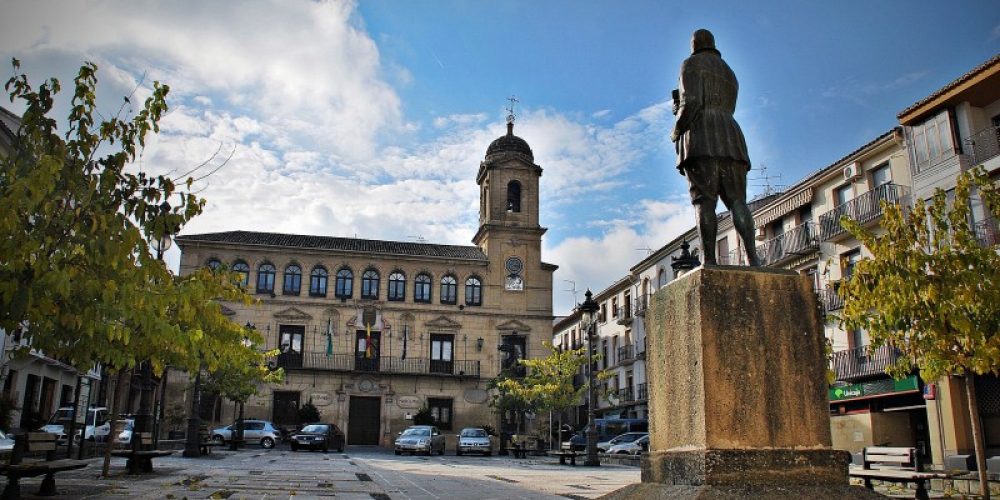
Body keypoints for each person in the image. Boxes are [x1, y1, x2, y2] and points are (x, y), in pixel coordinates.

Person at [671, 29, 760, 266]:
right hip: (731, 135)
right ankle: (753, 259)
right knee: (738, 201)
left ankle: (709, 260)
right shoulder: (729, 72)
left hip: (701, 136)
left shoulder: (690, 64)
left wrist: (676, 128)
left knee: (704, 201)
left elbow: (691, 102)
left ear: (694, 45)